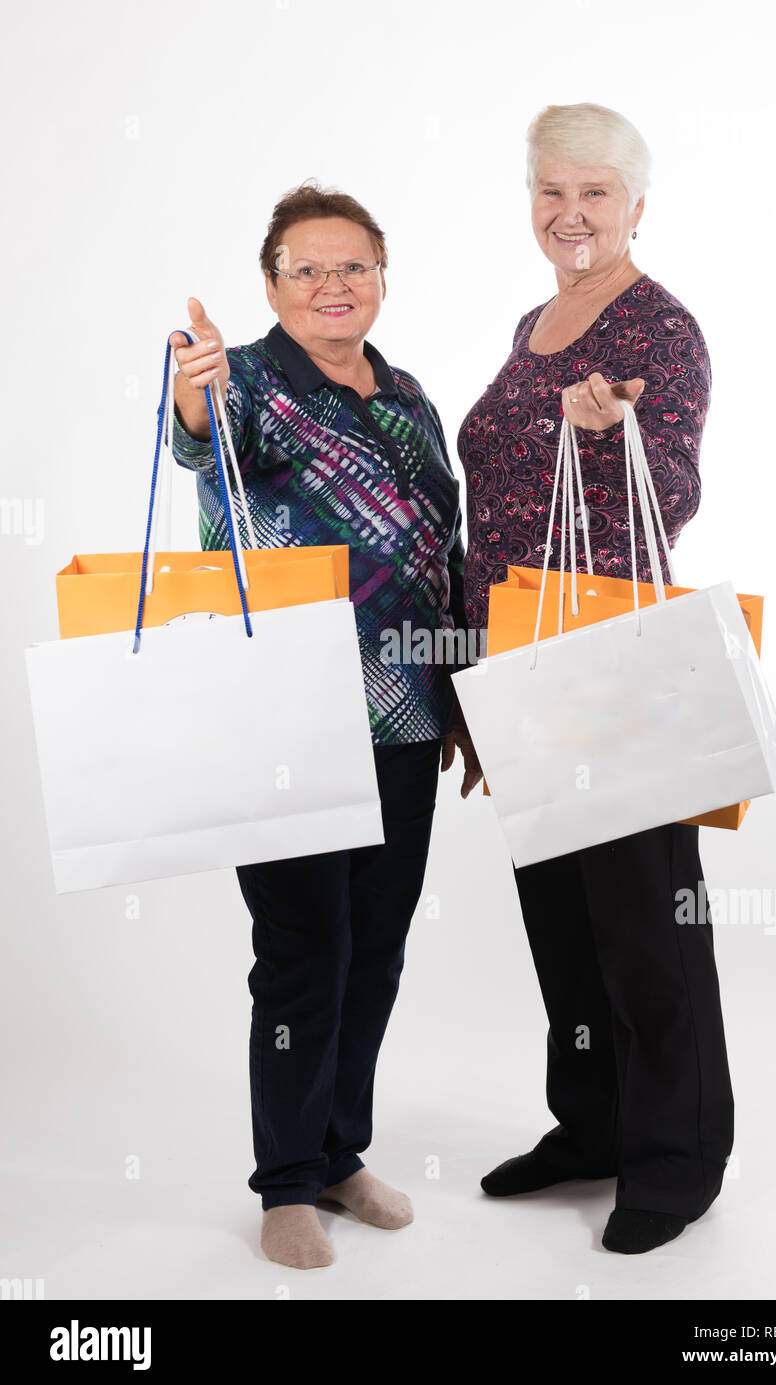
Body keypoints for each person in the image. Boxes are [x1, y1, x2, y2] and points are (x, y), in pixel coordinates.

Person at [170, 181, 481, 1270]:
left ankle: (342, 1152)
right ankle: (287, 1182)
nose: (333, 285)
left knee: (378, 952)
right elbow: (202, 446)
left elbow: (445, 554)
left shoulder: (408, 397)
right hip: (287, 717)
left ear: (382, 279)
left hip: (404, 718)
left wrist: (462, 695)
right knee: (304, 952)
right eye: (308, 268)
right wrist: (195, 394)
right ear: (273, 285)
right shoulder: (246, 382)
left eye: (353, 265)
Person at [457, 103, 734, 1254]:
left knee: (646, 928)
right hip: (517, 662)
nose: (568, 214)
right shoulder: (534, 321)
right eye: (549, 191)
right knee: (564, 925)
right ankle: (594, 1124)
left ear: (635, 206)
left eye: (595, 194)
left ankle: (678, 1157)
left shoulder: (659, 330)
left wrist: (609, 428)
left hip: (613, 670)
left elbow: (670, 489)